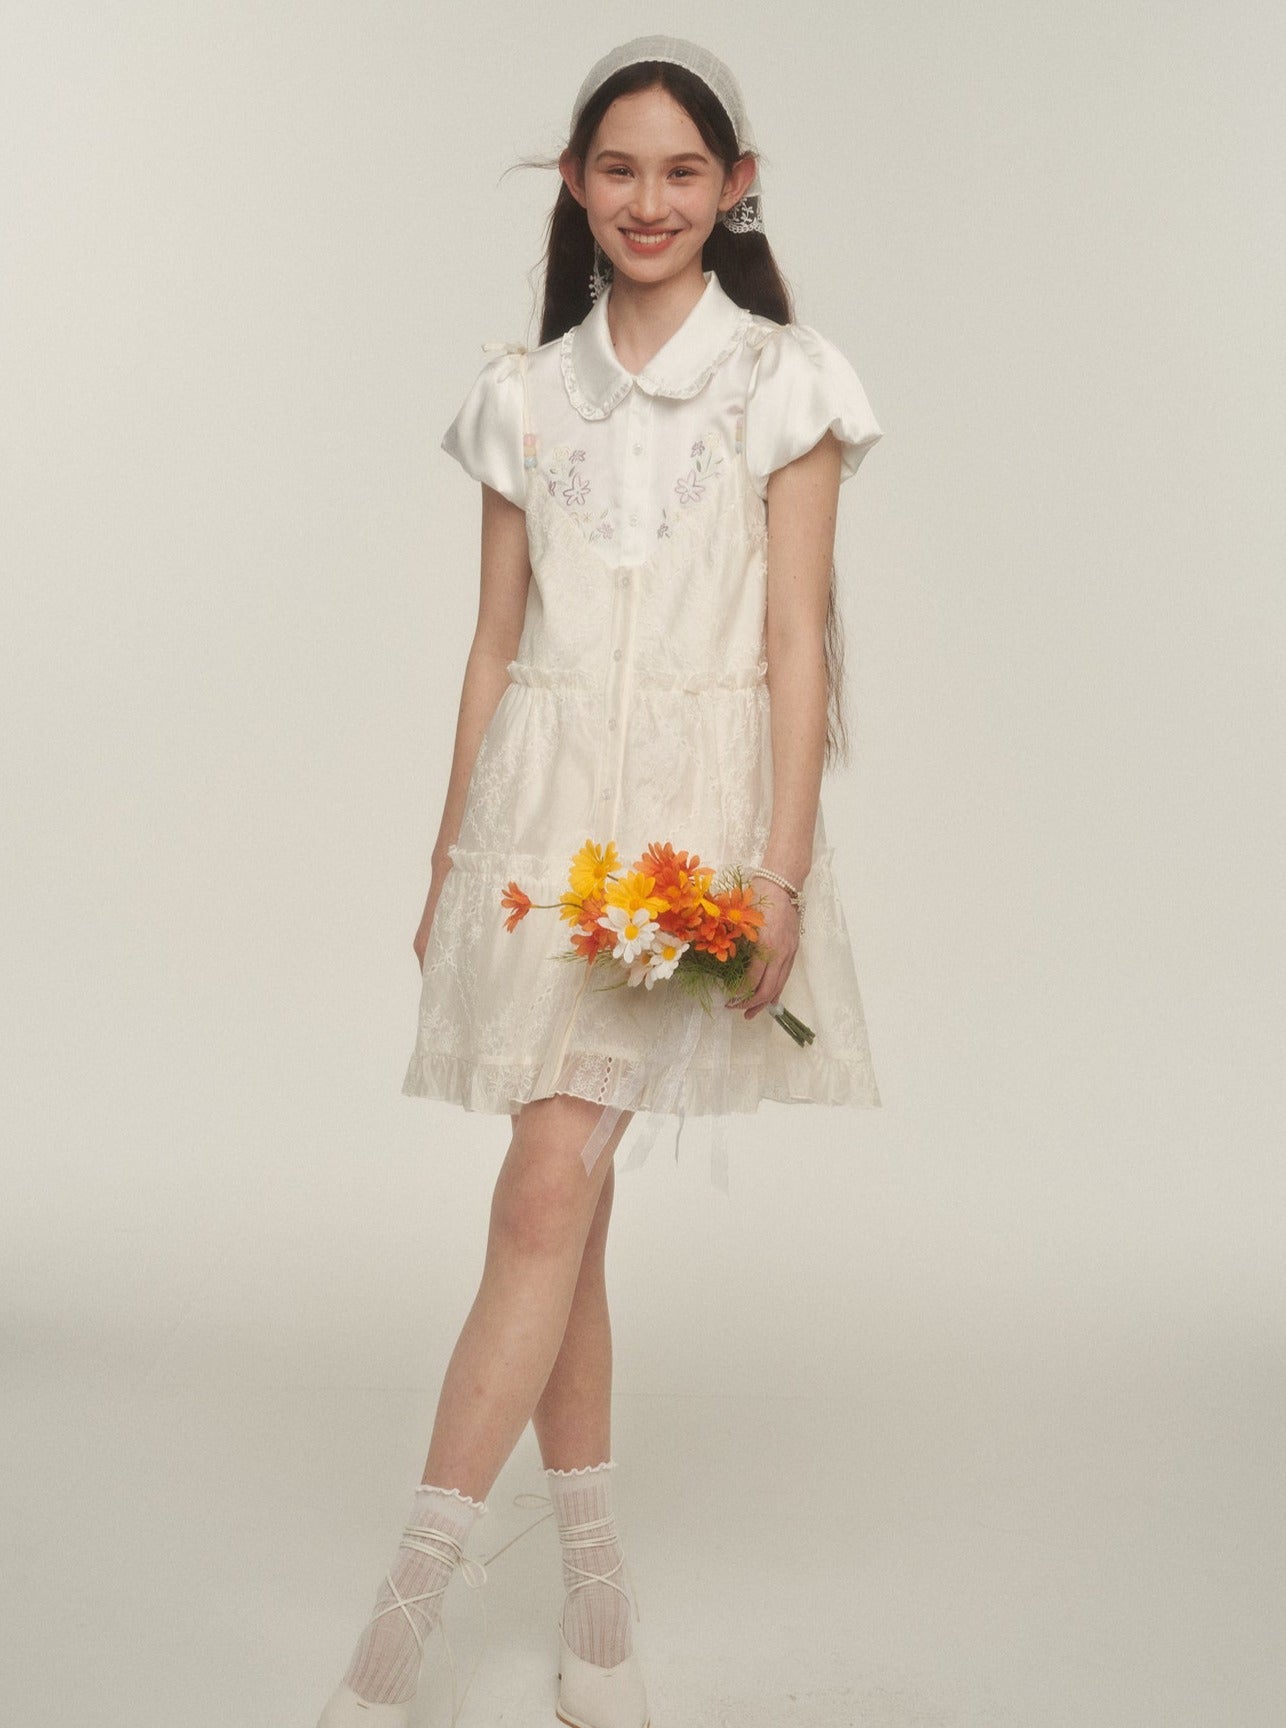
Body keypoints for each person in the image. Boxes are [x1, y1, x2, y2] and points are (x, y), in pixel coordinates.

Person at [317, 33, 883, 1728]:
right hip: (538, 832)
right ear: (575, 183)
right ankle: (597, 1596)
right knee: (564, 1204)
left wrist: (778, 876)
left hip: (692, 840)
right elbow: (494, 645)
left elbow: (795, 644)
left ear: (734, 185)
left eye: (682, 171)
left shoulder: (784, 382)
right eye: (618, 169)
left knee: (546, 1186)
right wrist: (448, 859)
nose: (649, 200)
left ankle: (399, 1626)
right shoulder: (519, 394)